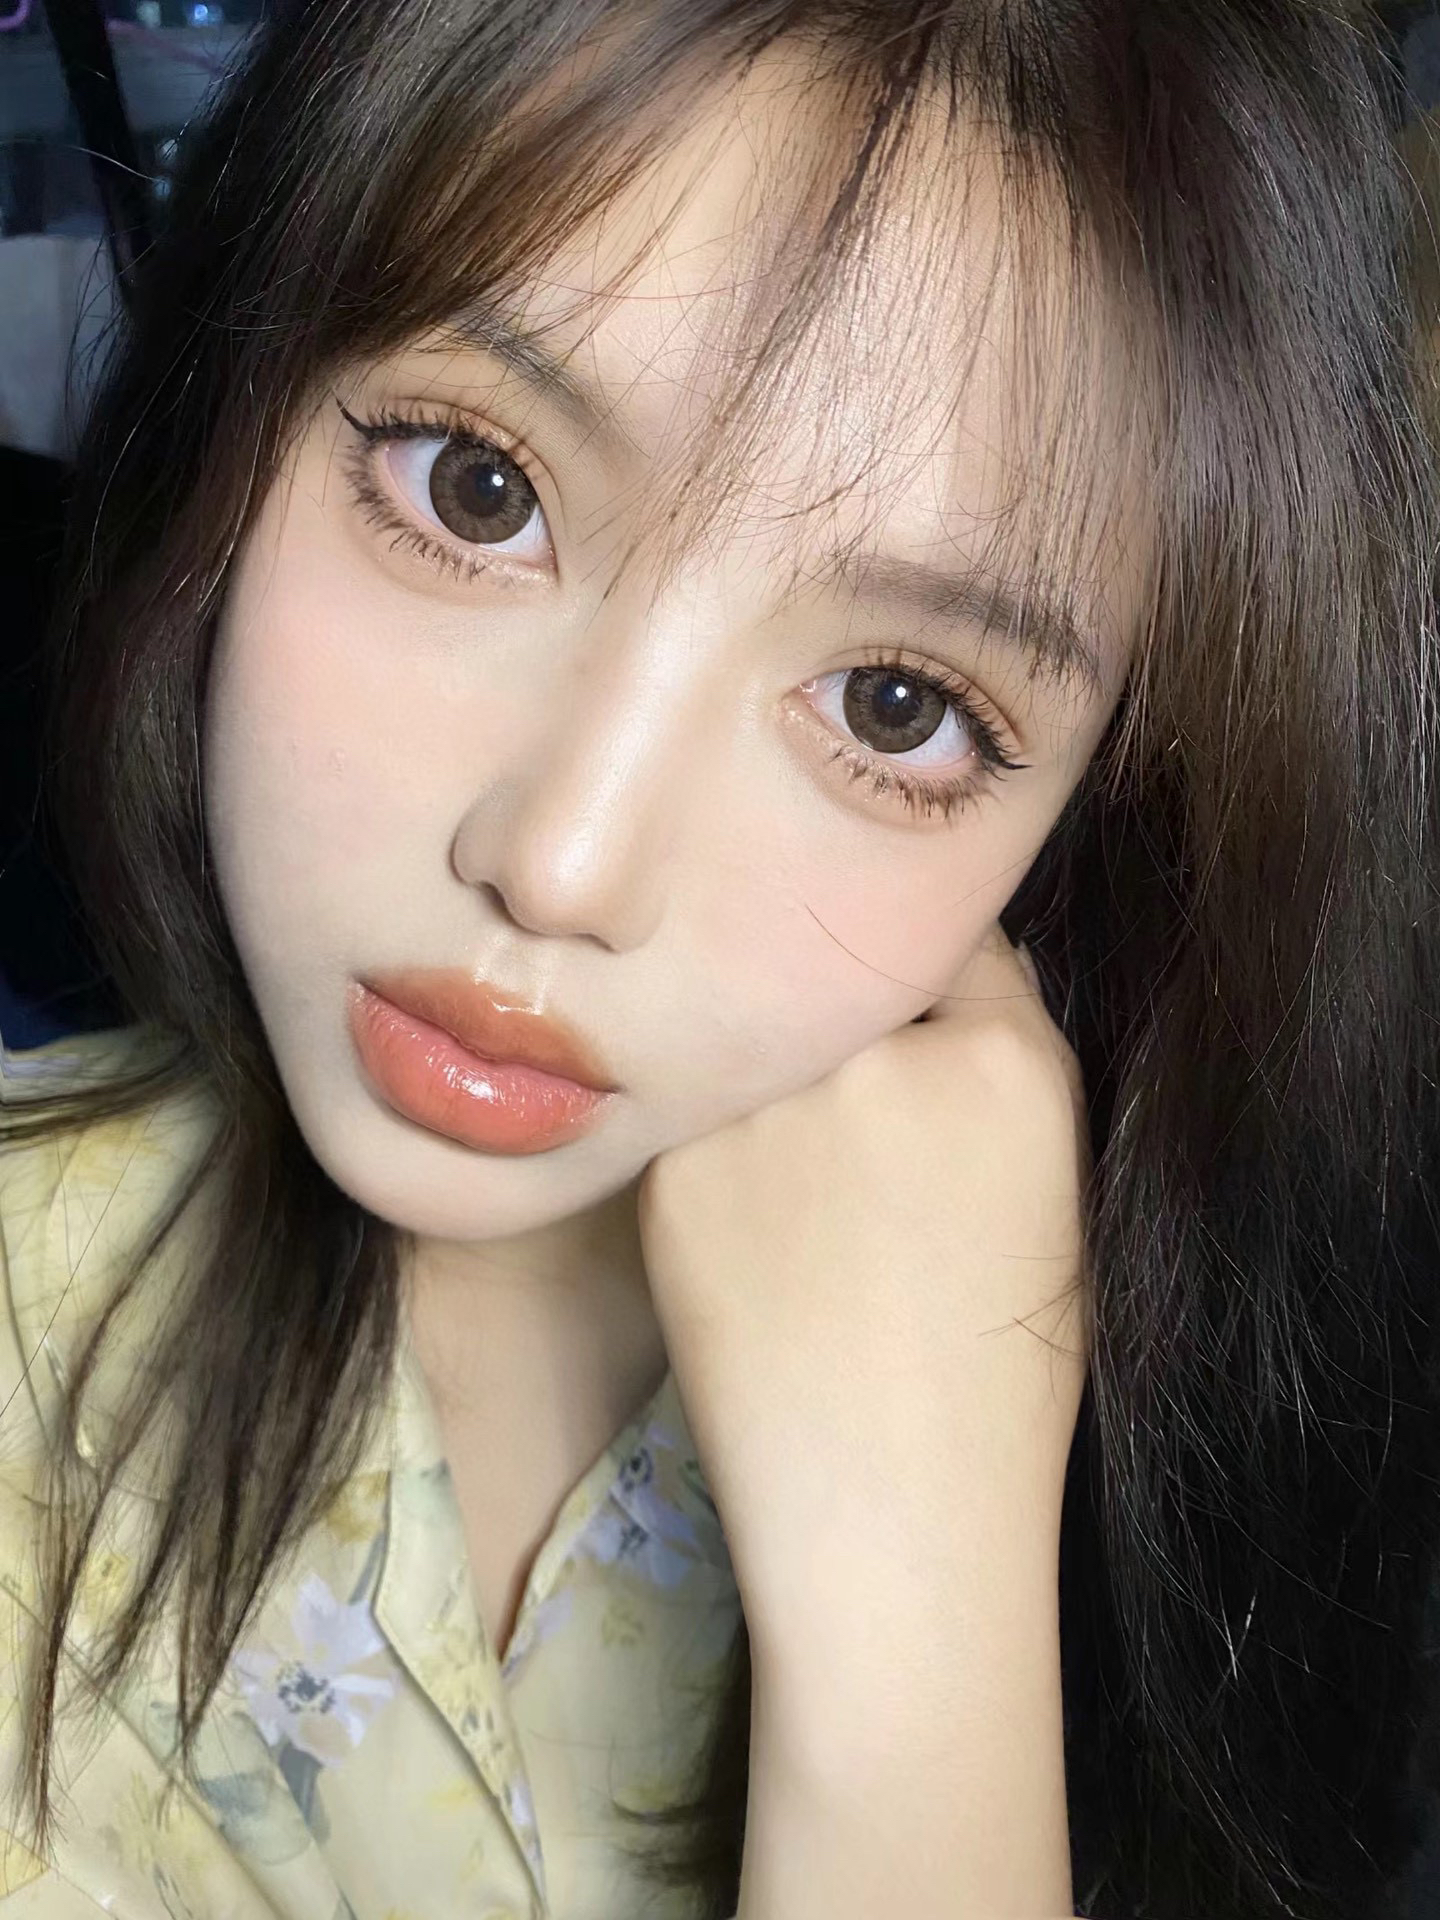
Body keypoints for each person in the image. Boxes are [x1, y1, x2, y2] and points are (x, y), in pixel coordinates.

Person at [1, 2, 1437, 1915]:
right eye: (474, 488)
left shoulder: (1235, 1483)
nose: (563, 864)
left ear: (1106, 816)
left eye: (898, 706)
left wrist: (920, 1640)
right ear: (242, 412)